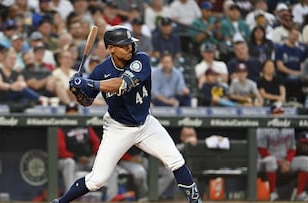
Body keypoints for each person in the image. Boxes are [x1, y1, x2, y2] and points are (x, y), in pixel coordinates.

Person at [51, 25, 202, 203]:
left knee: (176, 161)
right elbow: (86, 102)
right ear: (111, 48)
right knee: (96, 181)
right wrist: (77, 90)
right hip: (118, 127)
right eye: (123, 45)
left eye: (130, 44)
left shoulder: (141, 59)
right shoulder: (101, 70)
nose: (129, 48)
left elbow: (122, 84)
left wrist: (89, 83)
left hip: (146, 124)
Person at [257, 106, 308, 201]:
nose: (280, 115)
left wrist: (288, 161)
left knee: (306, 162)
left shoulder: (289, 126)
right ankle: (273, 193)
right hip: (265, 162)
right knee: (271, 161)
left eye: (281, 112)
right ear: (272, 115)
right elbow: (262, 150)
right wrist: (280, 163)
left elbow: (292, 149)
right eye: (277, 113)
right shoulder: (263, 127)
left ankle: (300, 194)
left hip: (285, 162)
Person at [57, 126, 118, 201]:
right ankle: (69, 197)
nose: (74, 115)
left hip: (88, 159)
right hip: (73, 161)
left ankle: (112, 197)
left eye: (76, 113)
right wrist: (77, 158)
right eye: (71, 113)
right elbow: (61, 151)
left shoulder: (86, 127)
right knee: (69, 162)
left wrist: (98, 155)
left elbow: (96, 144)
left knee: (109, 165)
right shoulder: (62, 129)